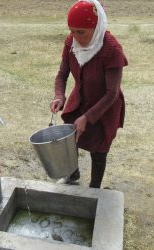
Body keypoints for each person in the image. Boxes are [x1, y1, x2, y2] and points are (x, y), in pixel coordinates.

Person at [50, 0, 128, 188]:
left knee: (99, 150)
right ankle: (72, 173)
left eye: (81, 32)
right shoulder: (71, 43)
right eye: (72, 31)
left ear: (96, 26)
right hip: (80, 100)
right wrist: (59, 96)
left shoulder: (111, 49)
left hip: (105, 107)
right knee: (70, 139)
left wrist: (88, 117)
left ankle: (95, 188)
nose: (75, 37)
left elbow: (112, 93)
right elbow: (62, 74)